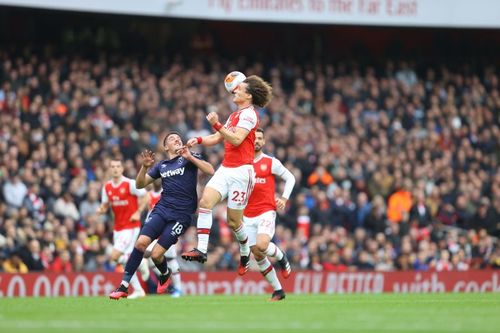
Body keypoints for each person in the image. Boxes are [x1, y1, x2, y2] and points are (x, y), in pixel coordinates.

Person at [181, 75, 273, 276]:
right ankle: (202, 250)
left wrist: (216, 124)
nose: (234, 90)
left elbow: (237, 139)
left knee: (233, 222)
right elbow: (217, 137)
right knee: (205, 202)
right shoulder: (234, 116)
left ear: (248, 95)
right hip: (226, 168)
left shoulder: (249, 115)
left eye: (239, 88)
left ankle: (244, 251)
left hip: (242, 173)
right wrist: (196, 139)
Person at [109, 132, 214, 300]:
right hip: (162, 209)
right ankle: (123, 286)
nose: (177, 139)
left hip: (181, 215)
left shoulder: (189, 156)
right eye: (172, 138)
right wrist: (144, 167)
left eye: (178, 137)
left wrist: (190, 157)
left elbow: (210, 170)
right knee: (141, 244)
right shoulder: (161, 165)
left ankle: (165, 273)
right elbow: (140, 184)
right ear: (166, 147)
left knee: (157, 255)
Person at [243, 128, 295, 301]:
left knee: (263, 244)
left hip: (266, 210)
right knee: (257, 254)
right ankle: (278, 290)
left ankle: (282, 257)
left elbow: (290, 178)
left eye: (260, 139)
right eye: (254, 138)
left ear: (263, 142)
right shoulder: (242, 163)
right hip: (247, 215)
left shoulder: (270, 162)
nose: (256, 141)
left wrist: (284, 198)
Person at [97, 158, 150, 299]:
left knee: (114, 256)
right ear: (109, 169)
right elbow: (106, 204)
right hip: (118, 228)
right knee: (123, 260)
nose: (115, 169)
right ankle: (139, 287)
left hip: (131, 226)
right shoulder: (107, 187)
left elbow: (145, 196)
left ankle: (141, 264)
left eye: (118, 166)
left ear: (122, 169)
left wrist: (138, 212)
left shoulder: (130, 184)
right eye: (112, 166)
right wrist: (102, 209)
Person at [143, 180, 184, 297]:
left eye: (158, 178)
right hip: (155, 232)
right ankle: (167, 277)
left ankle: (178, 289)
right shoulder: (149, 195)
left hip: (166, 231)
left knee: (170, 259)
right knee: (149, 257)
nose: (155, 180)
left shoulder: (167, 193)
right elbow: (150, 212)